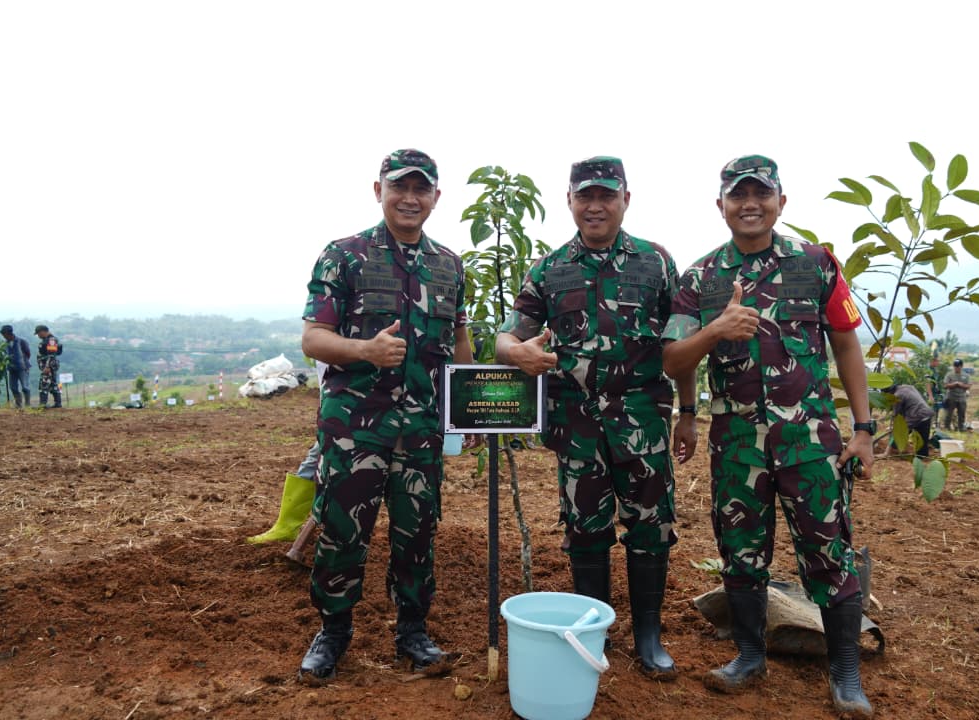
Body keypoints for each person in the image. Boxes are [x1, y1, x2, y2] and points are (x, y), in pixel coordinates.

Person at [661, 155, 875, 716]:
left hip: (811, 442)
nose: (749, 204)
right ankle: (749, 655)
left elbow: (847, 343)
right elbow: (671, 358)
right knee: (740, 552)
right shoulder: (700, 278)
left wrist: (865, 428)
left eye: (761, 194)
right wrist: (715, 330)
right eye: (738, 194)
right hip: (736, 444)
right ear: (721, 205)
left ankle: (845, 671)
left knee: (829, 550)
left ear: (782, 201)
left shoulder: (815, 263)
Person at [496, 155, 694, 679]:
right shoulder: (549, 268)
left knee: (651, 525)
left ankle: (649, 636)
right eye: (585, 196)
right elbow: (509, 335)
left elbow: (682, 344)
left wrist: (689, 412)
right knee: (585, 529)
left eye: (607, 195)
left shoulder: (656, 263)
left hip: (643, 419)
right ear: (569, 201)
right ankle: (594, 631)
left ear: (626, 199)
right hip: (577, 424)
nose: (596, 205)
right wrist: (516, 353)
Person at [296, 149, 475, 684]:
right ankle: (333, 632)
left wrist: (469, 410)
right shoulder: (344, 256)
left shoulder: (449, 264)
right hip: (356, 428)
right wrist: (365, 351)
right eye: (400, 187)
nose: (410, 198)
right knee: (342, 531)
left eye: (422, 189)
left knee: (417, 533)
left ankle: (413, 631)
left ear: (436, 199)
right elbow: (313, 339)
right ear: (379, 191)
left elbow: (458, 337)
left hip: (421, 429)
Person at [247, 361, 329, 545]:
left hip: (357, 413)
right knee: (313, 463)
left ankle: (287, 526)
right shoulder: (324, 344)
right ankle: (286, 527)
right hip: (335, 413)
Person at [880, 384, 934, 458]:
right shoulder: (908, 386)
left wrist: (894, 427)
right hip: (927, 413)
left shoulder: (897, 396)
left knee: (898, 432)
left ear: (888, 393)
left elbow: (897, 415)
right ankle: (922, 455)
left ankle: (886, 453)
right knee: (922, 448)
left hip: (916, 415)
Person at [0, 325, 32, 408]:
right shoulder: (4, 344)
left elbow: (28, 353)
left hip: (22, 368)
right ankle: (18, 404)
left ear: (8, 333)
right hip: (11, 369)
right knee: (13, 387)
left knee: (25, 387)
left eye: (4, 334)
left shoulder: (21, 341)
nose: (3, 336)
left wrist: (23, 362)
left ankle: (27, 404)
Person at [34, 325, 63, 408]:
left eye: (38, 333)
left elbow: (51, 355)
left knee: (44, 383)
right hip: (49, 366)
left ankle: (42, 404)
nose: (38, 336)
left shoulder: (51, 340)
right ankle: (58, 403)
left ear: (43, 331)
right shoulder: (47, 340)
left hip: (49, 366)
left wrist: (47, 366)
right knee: (53, 384)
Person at [942, 358, 971, 431]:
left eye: (958, 366)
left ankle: (961, 428)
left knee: (961, 414)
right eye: (955, 366)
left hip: (962, 398)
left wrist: (961, 385)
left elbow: (968, 386)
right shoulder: (949, 375)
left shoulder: (966, 375)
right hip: (951, 397)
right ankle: (947, 427)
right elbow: (945, 386)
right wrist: (954, 384)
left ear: (961, 366)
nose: (956, 368)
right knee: (949, 414)